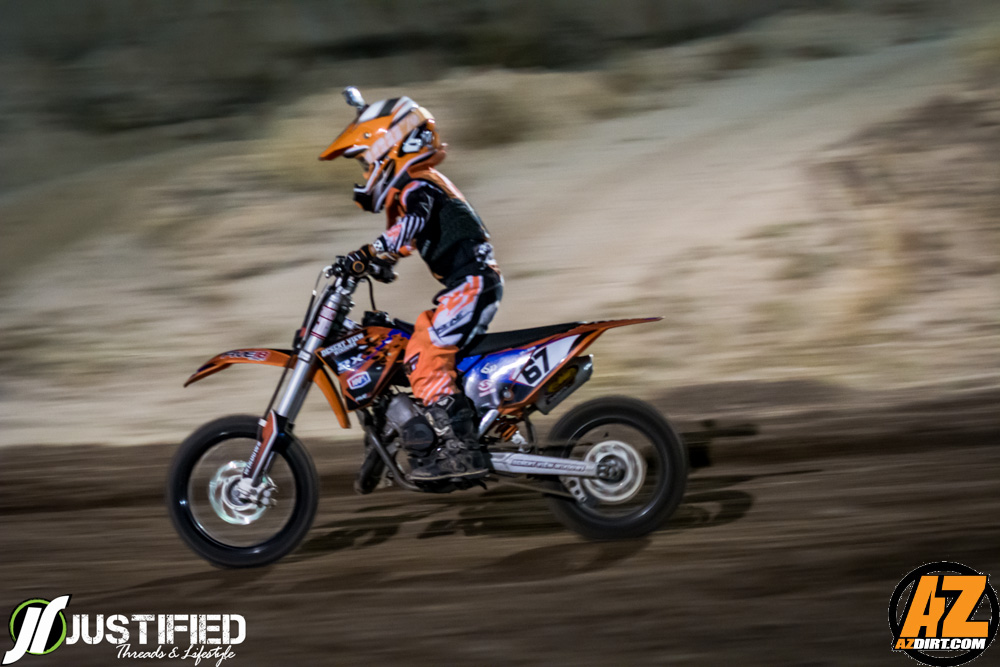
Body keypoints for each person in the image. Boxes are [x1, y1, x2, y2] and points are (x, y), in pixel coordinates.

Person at [319, 87, 503, 482]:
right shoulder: (421, 187)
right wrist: (381, 263)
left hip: (471, 284)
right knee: (399, 337)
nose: (366, 174)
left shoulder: (419, 186)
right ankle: (400, 432)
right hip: (469, 283)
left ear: (391, 150)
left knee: (425, 350)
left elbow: (413, 224)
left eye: (367, 163)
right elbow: (412, 234)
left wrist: (369, 253)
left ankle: (461, 452)